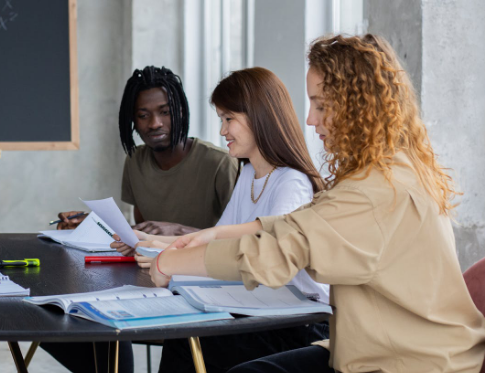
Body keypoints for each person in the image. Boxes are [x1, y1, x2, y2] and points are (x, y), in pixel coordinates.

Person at [142, 34, 485, 373]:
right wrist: (212, 237)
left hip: (411, 362)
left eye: (321, 105)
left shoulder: (377, 189)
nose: (310, 119)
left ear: (357, 106)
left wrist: (170, 263)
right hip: (380, 345)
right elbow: (303, 221)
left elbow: (280, 251)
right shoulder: (390, 168)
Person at [114, 67, 329, 372]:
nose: (222, 131)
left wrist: (169, 258)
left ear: (259, 117)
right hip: (263, 308)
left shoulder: (291, 182)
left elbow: (266, 260)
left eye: (229, 119)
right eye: (222, 120)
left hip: (299, 322)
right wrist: (148, 242)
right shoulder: (250, 173)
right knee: (185, 334)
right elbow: (218, 236)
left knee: (190, 338)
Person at [57, 65, 239, 237]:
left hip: (205, 268)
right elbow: (143, 233)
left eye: (165, 112)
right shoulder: (135, 160)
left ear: (181, 112)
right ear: (133, 121)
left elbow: (243, 237)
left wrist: (178, 231)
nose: (154, 124)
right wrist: (93, 224)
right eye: (143, 116)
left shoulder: (220, 163)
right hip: (152, 265)